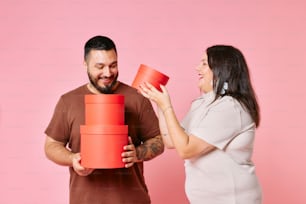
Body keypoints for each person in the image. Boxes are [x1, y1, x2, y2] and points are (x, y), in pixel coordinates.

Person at [44, 35, 164, 204]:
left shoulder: (137, 98)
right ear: (85, 65)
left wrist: (137, 153)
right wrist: (72, 159)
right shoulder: (68, 101)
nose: (107, 73)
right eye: (100, 67)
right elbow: (51, 145)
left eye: (113, 65)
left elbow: (159, 140)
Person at [140, 45, 262, 204]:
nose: (198, 68)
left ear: (221, 69)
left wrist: (166, 106)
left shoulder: (230, 107)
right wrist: (159, 104)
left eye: (204, 63)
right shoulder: (201, 104)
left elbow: (186, 150)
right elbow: (171, 141)